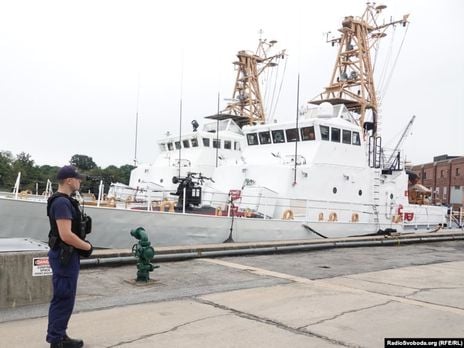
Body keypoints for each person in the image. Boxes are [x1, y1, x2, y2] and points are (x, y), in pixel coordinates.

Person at [46, 165, 93, 348]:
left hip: (66, 256)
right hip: (65, 257)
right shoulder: (62, 203)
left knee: (65, 298)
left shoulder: (63, 201)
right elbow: (65, 234)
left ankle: (59, 335)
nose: (80, 181)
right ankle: (57, 340)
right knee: (63, 298)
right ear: (69, 180)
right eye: (78, 178)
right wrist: (87, 247)